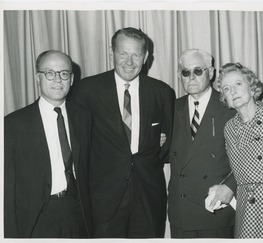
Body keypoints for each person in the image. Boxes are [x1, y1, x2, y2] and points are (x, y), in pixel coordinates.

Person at [70, 27, 175, 238]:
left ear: (145, 57)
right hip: (103, 198)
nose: (129, 61)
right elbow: (78, 143)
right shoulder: (86, 90)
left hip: (148, 195)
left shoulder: (162, 93)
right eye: (123, 53)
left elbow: (168, 142)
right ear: (112, 53)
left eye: (136, 54)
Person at [4, 50, 92, 238]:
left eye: (64, 73)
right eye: (50, 73)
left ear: (72, 79)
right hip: (37, 217)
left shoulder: (83, 117)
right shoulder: (14, 124)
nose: (58, 80)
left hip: (78, 214)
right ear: (38, 78)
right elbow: (7, 188)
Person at [168, 48, 236, 238]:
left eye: (198, 71)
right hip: (181, 211)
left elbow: (250, 157)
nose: (191, 77)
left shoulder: (229, 107)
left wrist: (230, 187)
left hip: (216, 208)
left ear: (211, 73)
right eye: (185, 72)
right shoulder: (171, 108)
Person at [218, 62, 263, 238]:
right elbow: (238, 172)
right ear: (224, 98)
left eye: (238, 84)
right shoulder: (229, 128)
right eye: (226, 89)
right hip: (246, 208)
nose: (232, 91)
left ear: (252, 87)